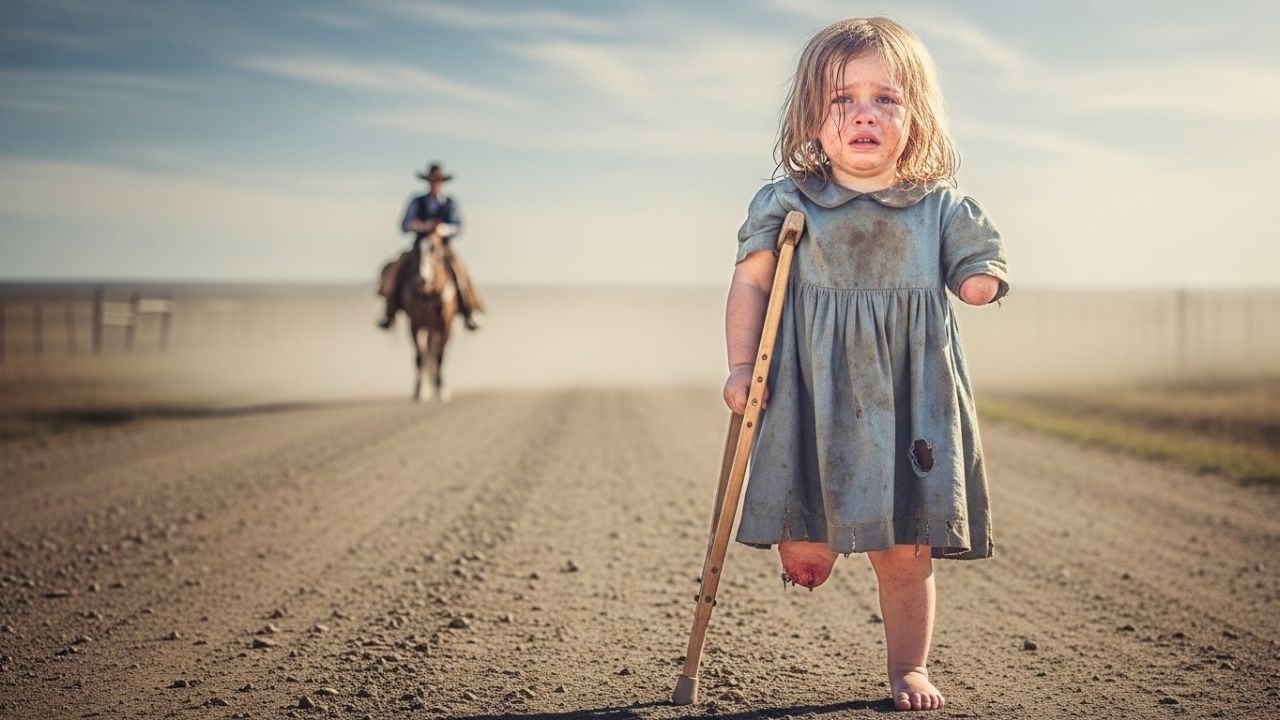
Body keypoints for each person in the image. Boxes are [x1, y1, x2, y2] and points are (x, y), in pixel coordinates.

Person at [723, 17, 1008, 712]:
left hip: (910, 396)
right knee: (807, 544)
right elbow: (753, 283)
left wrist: (980, 281)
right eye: (842, 99)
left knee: (905, 551)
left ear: (917, 115)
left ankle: (908, 667)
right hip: (810, 389)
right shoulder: (790, 202)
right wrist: (739, 365)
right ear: (811, 118)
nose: (864, 114)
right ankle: (812, 543)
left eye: (886, 98)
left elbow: (978, 259)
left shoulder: (938, 207)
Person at [378, 162, 485, 331]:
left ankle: (469, 309)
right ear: (427, 182)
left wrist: (443, 229)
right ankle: (389, 311)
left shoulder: (450, 203)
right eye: (432, 180)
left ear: (443, 183)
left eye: (438, 181)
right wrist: (417, 226)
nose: (435, 184)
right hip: (419, 245)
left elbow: (458, 226)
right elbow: (404, 224)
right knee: (396, 269)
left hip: (442, 248)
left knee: (460, 271)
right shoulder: (417, 201)